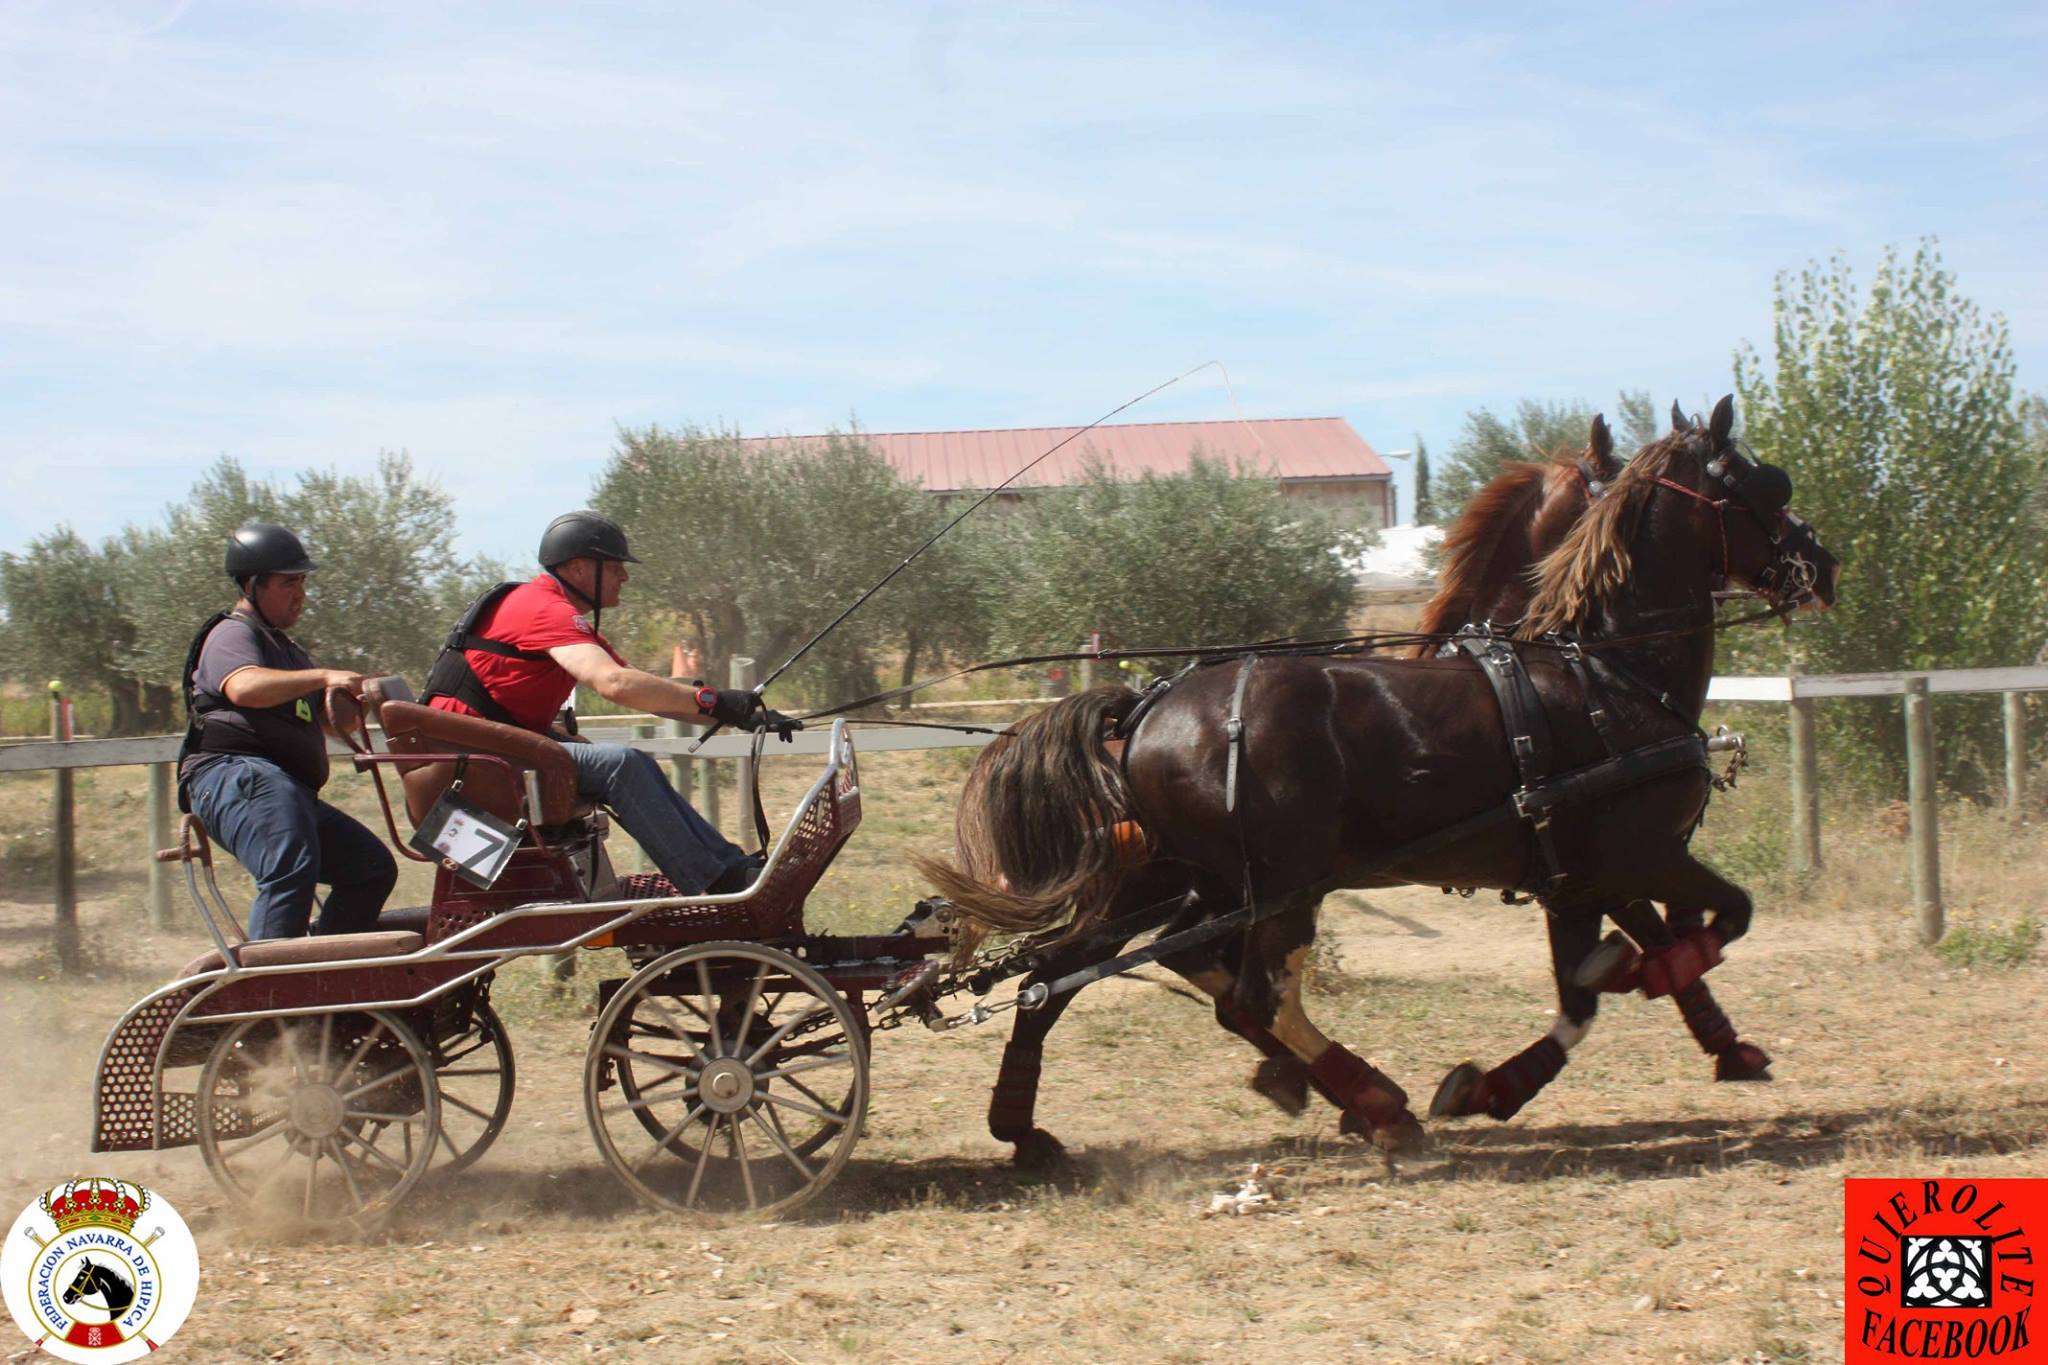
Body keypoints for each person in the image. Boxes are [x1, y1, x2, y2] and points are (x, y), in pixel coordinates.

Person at [421, 511, 800, 896]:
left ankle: (728, 869)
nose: (625, 576)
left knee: (626, 763)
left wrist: (744, 716)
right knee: (622, 765)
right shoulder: (542, 609)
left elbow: (645, 691)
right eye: (616, 566)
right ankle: (719, 880)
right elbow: (614, 683)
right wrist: (713, 700)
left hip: (489, 753)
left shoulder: (554, 612)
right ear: (578, 568)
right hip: (471, 763)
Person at [178, 522, 398, 940]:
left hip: (281, 788)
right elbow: (243, 687)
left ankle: (331, 984)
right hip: (235, 774)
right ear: (251, 585)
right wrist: (323, 675)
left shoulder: (288, 653)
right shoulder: (232, 634)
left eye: (302, 582)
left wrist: (361, 701)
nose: (301, 595)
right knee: (288, 868)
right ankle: (278, 997)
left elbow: (333, 724)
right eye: (288, 583)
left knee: (370, 868)